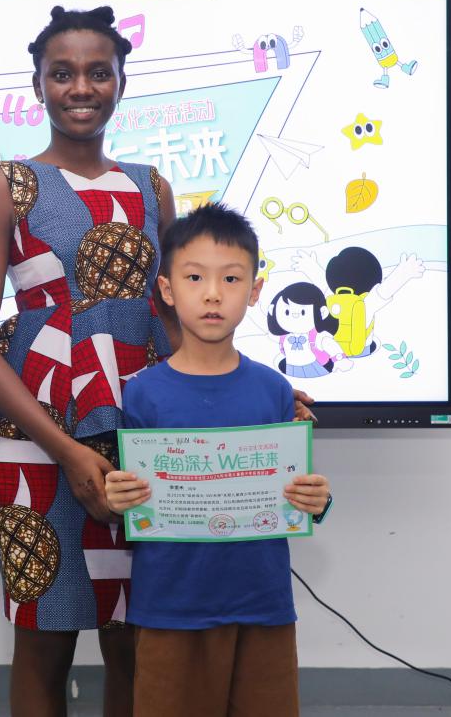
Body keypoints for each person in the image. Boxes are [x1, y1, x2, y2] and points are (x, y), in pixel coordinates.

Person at [0, 6, 315, 717]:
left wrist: (260, 400)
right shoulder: (6, 185)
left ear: (121, 83)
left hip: (142, 430)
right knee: (44, 641)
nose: (80, 88)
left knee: (135, 639)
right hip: (33, 439)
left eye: (98, 73)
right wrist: (66, 452)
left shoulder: (151, 187)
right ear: (38, 84)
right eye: (62, 74)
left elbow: (175, 315)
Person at [104, 203, 332, 717]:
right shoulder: (141, 394)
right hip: (170, 607)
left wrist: (316, 500)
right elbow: (130, 499)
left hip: (263, 605)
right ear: (167, 290)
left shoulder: (275, 390)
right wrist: (118, 497)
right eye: (194, 277)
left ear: (254, 291)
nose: (212, 293)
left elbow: (295, 489)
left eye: (230, 278)